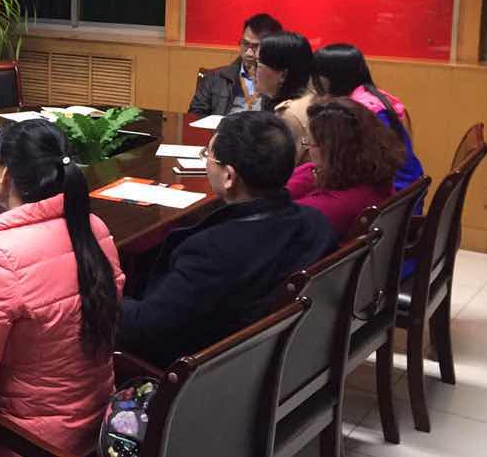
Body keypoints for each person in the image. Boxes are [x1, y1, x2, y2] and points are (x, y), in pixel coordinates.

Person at [0, 120, 124, 457]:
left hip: (28, 447)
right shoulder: (93, 229)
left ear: (3, 173)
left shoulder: (1, 255)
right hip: (95, 423)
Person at [118, 111, 337, 367]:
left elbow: (144, 329)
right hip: (275, 360)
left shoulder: (211, 252)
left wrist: (101, 297)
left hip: (197, 370)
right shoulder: (317, 224)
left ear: (229, 177)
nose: (207, 163)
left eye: (208, 156)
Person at [312, 43, 423, 193]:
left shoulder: (358, 110)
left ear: (334, 76)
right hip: (407, 187)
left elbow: (351, 166)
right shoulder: (375, 95)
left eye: (319, 75)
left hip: (394, 190)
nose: (316, 81)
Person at [287, 99, 404, 240]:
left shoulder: (323, 210)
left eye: (310, 143)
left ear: (331, 153)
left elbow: (279, 219)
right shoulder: (372, 176)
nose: (308, 150)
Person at [189, 13, 282, 116]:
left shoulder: (280, 84)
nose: (249, 53)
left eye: (256, 46)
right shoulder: (215, 78)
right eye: (245, 44)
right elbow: (194, 114)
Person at [255, 31, 316, 164]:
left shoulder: (288, 115)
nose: (252, 70)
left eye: (258, 63)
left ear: (282, 75)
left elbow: (274, 169)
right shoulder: (311, 96)